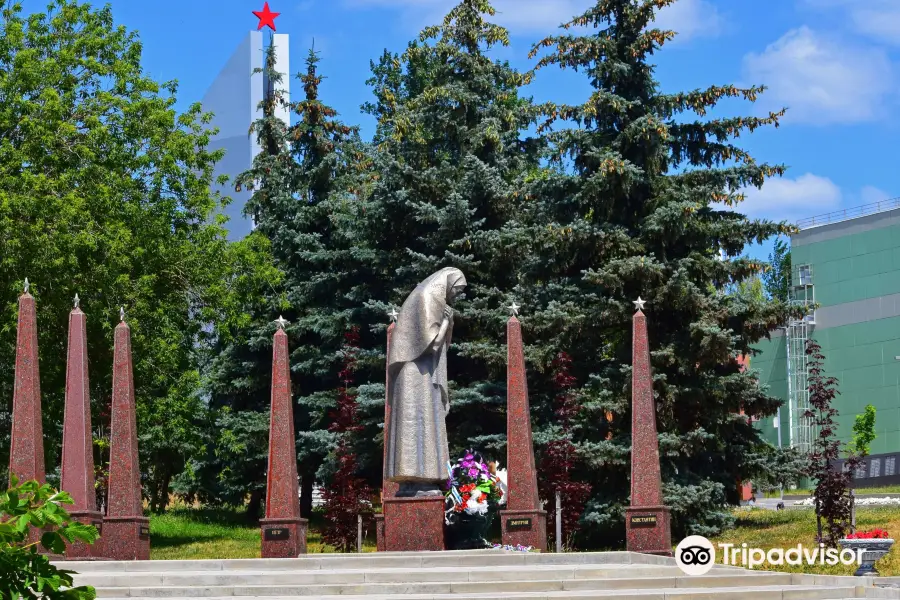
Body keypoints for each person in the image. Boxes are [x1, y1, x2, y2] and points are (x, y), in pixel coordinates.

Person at [385, 267, 467, 497]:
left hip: (418, 371)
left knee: (422, 421)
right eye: (457, 290)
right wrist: (446, 323)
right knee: (417, 421)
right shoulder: (427, 297)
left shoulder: (427, 294)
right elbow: (432, 343)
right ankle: (416, 478)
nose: (457, 296)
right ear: (448, 283)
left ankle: (421, 479)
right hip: (416, 373)